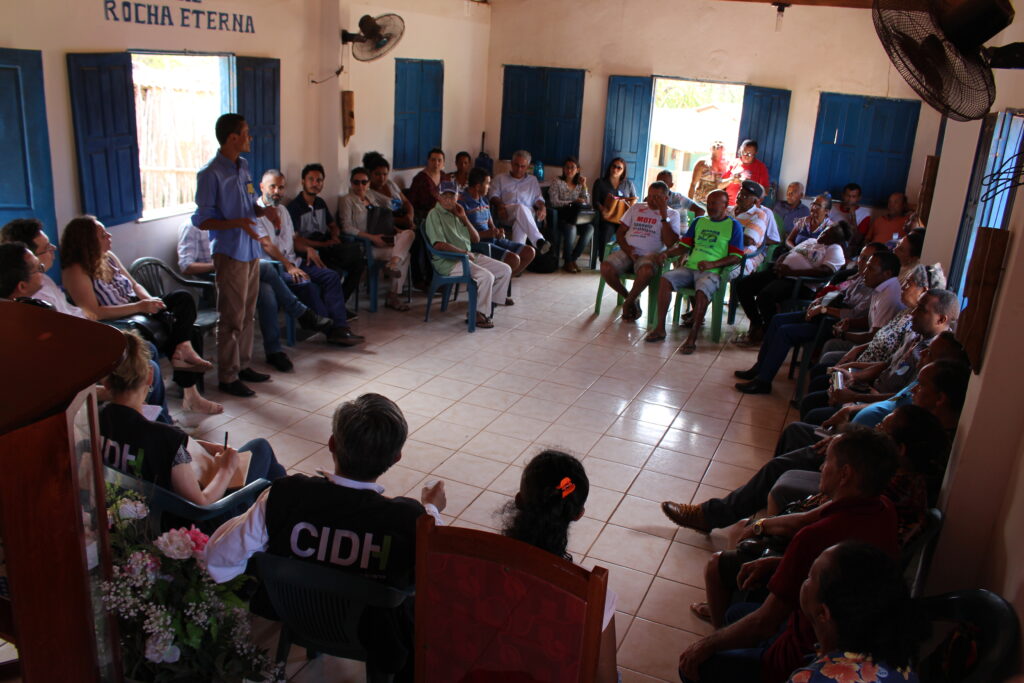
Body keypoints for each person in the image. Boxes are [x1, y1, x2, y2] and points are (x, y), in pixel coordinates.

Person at [204, 393, 448, 679]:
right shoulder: (408, 520)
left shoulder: (285, 495)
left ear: (332, 443)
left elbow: (218, 560)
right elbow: (441, 578)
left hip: (294, 615)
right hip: (370, 634)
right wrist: (432, 510)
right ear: (396, 457)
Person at [661, 332, 970, 536]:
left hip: (857, 461)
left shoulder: (927, 433)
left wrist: (845, 439)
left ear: (941, 397)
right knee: (795, 431)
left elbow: (883, 464)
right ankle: (756, 505)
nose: (916, 385)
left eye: (923, 385)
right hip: (855, 440)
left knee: (778, 467)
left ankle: (712, 515)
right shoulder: (921, 406)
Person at [677, 428, 899, 683]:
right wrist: (780, 562)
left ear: (845, 474)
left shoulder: (815, 537)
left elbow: (764, 622)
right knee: (733, 614)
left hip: (797, 657)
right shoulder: (884, 509)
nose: (822, 467)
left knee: (692, 664)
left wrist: (704, 646)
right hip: (853, 637)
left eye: (828, 462)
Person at [2, 222, 175, 423]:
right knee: (146, 367)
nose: (52, 252)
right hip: (78, 353)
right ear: (21, 286)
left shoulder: (34, 292)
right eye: (37, 268)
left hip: (83, 337)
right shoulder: (27, 316)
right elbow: (56, 371)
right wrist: (104, 391)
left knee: (146, 357)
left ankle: (154, 423)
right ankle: (148, 427)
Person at [99, 330, 285, 506]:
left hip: (127, 516)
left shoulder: (95, 421)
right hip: (186, 527)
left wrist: (201, 445)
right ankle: (285, 511)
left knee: (272, 481)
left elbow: (153, 444)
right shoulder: (167, 439)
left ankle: (279, 509)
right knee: (261, 448)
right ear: (150, 376)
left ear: (104, 381)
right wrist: (226, 468)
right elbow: (201, 504)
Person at [60, 216, 223, 415]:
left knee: (182, 300)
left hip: (138, 308)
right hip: (119, 321)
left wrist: (150, 300)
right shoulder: (75, 271)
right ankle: (189, 390)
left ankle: (186, 363)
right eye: (103, 235)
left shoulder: (108, 257)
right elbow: (93, 312)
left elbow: (135, 285)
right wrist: (140, 307)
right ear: (86, 241)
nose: (109, 236)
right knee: (180, 332)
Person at [500, 451, 619, 683]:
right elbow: (606, 680)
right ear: (578, 515)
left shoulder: (474, 559)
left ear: (518, 500)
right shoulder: (590, 594)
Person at [192, 113, 279, 398]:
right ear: (233, 138)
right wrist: (238, 223)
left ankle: (243, 366)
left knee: (247, 313)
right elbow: (202, 220)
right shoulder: (209, 174)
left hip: (251, 249)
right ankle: (227, 376)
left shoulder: (243, 166)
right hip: (230, 253)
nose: (250, 138)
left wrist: (263, 208)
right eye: (246, 133)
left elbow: (250, 199)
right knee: (230, 317)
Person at [733, 249, 903, 395]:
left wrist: (827, 312)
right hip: (831, 315)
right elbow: (849, 302)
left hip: (833, 322)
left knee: (786, 331)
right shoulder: (874, 284)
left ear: (886, 273)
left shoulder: (888, 295)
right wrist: (821, 303)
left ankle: (764, 381)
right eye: (863, 259)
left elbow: (865, 324)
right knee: (777, 320)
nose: (864, 267)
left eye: (869, 265)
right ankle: (760, 367)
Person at [177, 219, 337, 373]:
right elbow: (186, 266)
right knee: (266, 267)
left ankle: (275, 351)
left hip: (239, 270)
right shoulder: (191, 226)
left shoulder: (225, 222)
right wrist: (222, 264)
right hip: (216, 276)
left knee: (266, 290)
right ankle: (299, 313)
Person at [800, 288, 959, 424]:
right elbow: (886, 364)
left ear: (941, 319)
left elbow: (903, 398)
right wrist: (855, 377)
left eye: (921, 310)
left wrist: (853, 396)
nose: (913, 314)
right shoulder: (915, 336)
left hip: (880, 404)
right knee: (818, 388)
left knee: (814, 412)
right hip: (870, 390)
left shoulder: (935, 357)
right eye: (916, 307)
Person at [786, 541, 925, 683]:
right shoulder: (903, 669)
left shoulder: (809, 679)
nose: (805, 580)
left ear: (823, 613)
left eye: (810, 577)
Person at [256, 169, 364, 347]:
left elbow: (293, 240)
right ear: (262, 187)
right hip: (276, 268)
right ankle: (329, 328)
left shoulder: (282, 210)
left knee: (330, 276)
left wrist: (307, 249)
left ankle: (340, 327)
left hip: (294, 262)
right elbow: (267, 245)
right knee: (305, 283)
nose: (277, 191)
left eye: (281, 188)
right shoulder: (255, 213)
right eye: (272, 186)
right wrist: (289, 267)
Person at [644, 189, 742, 354]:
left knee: (702, 291)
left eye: (714, 203)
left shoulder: (733, 226)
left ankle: (692, 337)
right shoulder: (699, 222)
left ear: (725, 206)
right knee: (665, 279)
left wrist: (712, 264)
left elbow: (736, 257)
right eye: (708, 203)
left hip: (712, 271)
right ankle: (660, 328)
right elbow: (684, 246)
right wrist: (666, 253)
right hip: (690, 268)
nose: (710, 206)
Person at [733, 220, 852, 346]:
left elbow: (825, 271)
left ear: (836, 239)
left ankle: (767, 332)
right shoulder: (811, 241)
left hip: (800, 283)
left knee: (765, 296)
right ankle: (757, 324)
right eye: (826, 229)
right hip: (781, 274)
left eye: (829, 232)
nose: (824, 232)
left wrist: (792, 272)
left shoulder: (835, 249)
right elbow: (788, 253)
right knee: (742, 285)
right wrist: (779, 264)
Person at [424, 180, 513, 329]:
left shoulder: (458, 212)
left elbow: (476, 238)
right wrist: (463, 253)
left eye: (452, 196)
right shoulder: (435, 214)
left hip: (468, 256)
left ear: (458, 197)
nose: (448, 200)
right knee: (487, 277)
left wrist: (464, 218)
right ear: (438, 198)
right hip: (449, 261)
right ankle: (477, 313)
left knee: (505, 270)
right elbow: (439, 245)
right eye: (444, 196)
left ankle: (487, 307)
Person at [285, 162, 365, 314]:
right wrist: (322, 244)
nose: (315, 184)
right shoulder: (294, 207)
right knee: (335, 273)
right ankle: (330, 309)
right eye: (311, 179)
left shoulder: (320, 203)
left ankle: (339, 304)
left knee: (358, 265)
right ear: (303, 181)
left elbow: (333, 225)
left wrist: (334, 235)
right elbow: (297, 241)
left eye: (319, 180)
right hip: (309, 253)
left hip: (327, 247)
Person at [599, 180, 681, 323]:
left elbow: (670, 243)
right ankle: (631, 298)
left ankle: (628, 303)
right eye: (649, 196)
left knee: (647, 271)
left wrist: (663, 215)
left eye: (656, 197)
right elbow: (620, 233)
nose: (651, 200)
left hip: (650, 255)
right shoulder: (636, 208)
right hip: (627, 251)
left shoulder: (672, 215)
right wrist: (627, 249)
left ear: (665, 198)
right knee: (606, 267)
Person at [338, 166, 417, 312]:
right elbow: (346, 227)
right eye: (356, 182)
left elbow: (388, 209)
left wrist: (395, 230)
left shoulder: (371, 196)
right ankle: (393, 295)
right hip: (367, 245)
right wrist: (372, 238)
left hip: (384, 239)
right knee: (406, 256)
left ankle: (393, 263)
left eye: (364, 182)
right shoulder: (347, 200)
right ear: (351, 183)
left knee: (409, 234)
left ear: (368, 183)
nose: (360, 186)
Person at [459, 166, 535, 281]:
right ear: (478, 186)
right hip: (478, 245)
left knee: (529, 252)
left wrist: (498, 232)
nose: (489, 187)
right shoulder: (462, 204)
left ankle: (499, 285)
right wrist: (488, 234)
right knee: (514, 259)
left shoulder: (484, 200)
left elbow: (492, 226)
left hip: (493, 240)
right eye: (487, 184)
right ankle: (498, 288)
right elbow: (463, 236)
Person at [488, 150, 551, 254]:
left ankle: (516, 261)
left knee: (520, 225)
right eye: (516, 165)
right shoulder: (500, 178)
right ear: (511, 164)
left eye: (523, 166)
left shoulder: (533, 180)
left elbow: (538, 199)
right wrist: (500, 205)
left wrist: (542, 207)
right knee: (520, 208)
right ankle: (539, 240)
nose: (519, 169)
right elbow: (493, 195)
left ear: (528, 167)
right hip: (507, 213)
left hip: (527, 217)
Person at [548, 156, 593, 273]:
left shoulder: (579, 185)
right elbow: (553, 201)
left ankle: (572, 259)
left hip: (577, 218)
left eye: (572, 168)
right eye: (566, 167)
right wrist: (572, 202)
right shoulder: (557, 182)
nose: (569, 170)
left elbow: (587, 203)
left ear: (577, 169)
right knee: (571, 229)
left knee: (590, 228)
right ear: (563, 169)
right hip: (562, 217)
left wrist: (584, 186)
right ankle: (568, 261)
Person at [592, 157, 639, 261]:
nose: (615, 169)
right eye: (614, 166)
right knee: (606, 232)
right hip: (608, 217)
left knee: (631, 234)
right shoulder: (600, 182)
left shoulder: (628, 184)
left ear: (623, 171)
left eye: (619, 168)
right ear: (610, 167)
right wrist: (602, 210)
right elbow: (596, 201)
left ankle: (626, 260)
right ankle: (604, 260)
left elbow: (634, 201)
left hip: (623, 219)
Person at [731, 180, 779, 275]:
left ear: (757, 200)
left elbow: (774, 239)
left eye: (745, 196)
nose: (740, 197)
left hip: (754, 251)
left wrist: (758, 240)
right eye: (740, 193)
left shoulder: (763, 214)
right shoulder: (730, 209)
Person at [364, 151, 416, 230]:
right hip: (391, 225)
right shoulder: (368, 193)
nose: (382, 178)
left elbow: (406, 202)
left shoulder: (390, 183)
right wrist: (402, 221)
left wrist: (410, 216)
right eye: (377, 174)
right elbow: (378, 218)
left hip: (407, 218)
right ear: (370, 173)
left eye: (385, 174)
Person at [722, 139, 770, 207]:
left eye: (750, 154)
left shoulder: (761, 167)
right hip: (728, 205)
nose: (746, 156)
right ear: (741, 151)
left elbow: (766, 192)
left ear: (755, 153)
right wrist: (731, 179)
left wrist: (747, 183)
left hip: (748, 208)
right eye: (744, 153)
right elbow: (720, 184)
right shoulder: (733, 163)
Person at [407, 147, 449, 222]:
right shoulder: (420, 178)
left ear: (443, 162)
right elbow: (411, 203)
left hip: (442, 213)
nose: (436, 163)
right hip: (424, 216)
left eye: (439, 160)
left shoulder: (443, 176)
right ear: (428, 161)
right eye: (433, 160)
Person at [689, 141, 730, 205]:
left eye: (720, 146)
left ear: (724, 149)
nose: (717, 147)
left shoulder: (728, 165)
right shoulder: (702, 164)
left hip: (717, 205)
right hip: (700, 203)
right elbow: (693, 184)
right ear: (711, 148)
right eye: (715, 146)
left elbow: (724, 185)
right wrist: (690, 205)